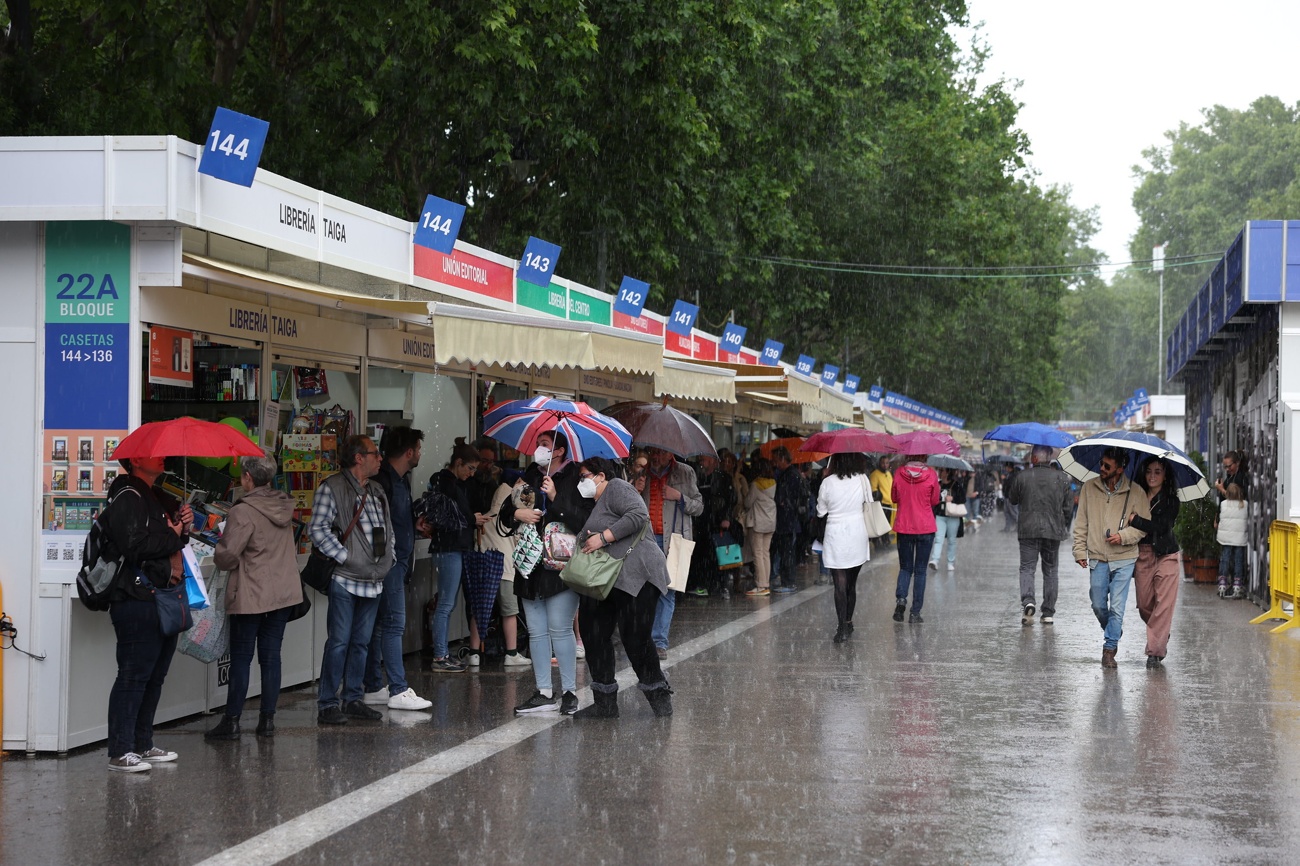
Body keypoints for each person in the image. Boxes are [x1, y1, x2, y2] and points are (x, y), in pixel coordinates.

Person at [102, 454, 194, 772]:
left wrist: (182, 530)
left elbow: (168, 543)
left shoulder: (155, 496)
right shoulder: (128, 495)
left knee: (154, 676)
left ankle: (142, 743)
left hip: (160, 595)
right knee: (133, 675)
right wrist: (173, 533)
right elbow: (133, 545)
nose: (162, 458)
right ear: (138, 461)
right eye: (155, 455)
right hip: (135, 596)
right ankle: (121, 750)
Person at [208, 452, 305, 740]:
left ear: (248, 478)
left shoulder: (243, 511)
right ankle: (267, 721)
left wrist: (218, 542)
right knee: (271, 657)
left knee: (241, 658)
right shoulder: (284, 504)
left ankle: (233, 720)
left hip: (251, 593)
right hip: (282, 596)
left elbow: (227, 557)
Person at [571, 457, 674, 718]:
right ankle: (605, 702)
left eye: (585, 476)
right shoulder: (590, 502)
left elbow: (639, 516)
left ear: (601, 475)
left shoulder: (618, 487)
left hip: (637, 573)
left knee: (635, 637)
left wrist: (604, 538)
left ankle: (658, 695)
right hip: (605, 577)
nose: (582, 482)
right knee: (593, 632)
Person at [501, 430, 591, 714]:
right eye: (538, 444)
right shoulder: (529, 475)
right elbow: (505, 513)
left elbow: (585, 522)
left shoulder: (576, 479)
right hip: (530, 564)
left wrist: (555, 499)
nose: (538, 450)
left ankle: (569, 692)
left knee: (560, 628)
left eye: (544, 445)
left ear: (560, 451)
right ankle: (543, 691)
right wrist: (519, 514)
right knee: (537, 632)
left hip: (561, 567)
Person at [311, 434, 394, 725]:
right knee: (339, 642)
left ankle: (353, 699)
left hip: (373, 580)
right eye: (375, 453)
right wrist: (346, 557)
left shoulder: (377, 490)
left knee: (362, 643)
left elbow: (387, 531)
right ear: (359, 458)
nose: (380, 458)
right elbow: (318, 529)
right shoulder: (332, 487)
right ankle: (328, 703)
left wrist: (388, 559)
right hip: (346, 579)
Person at [361, 427, 432, 710]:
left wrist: (410, 527)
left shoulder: (399, 481)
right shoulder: (384, 483)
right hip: (388, 564)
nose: (420, 454)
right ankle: (399, 689)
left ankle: (374, 685)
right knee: (393, 623)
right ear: (409, 452)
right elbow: (378, 526)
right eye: (418, 448)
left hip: (396, 562)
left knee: (380, 626)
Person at [1072, 447, 1151, 669]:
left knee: (1117, 607)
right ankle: (1114, 629)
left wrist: (1123, 536)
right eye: (1102, 464)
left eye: (1107, 466)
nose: (1102, 468)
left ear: (1120, 469)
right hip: (1097, 557)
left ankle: (1109, 649)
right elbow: (1081, 523)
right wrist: (1079, 550)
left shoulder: (1136, 492)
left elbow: (1143, 528)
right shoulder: (1089, 487)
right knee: (1098, 605)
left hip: (1125, 558)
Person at [426, 441, 489, 672]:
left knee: (447, 603)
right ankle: (440, 655)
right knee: (445, 604)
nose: (471, 474)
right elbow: (463, 513)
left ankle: (441, 653)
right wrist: (474, 520)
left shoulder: (452, 482)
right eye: (470, 468)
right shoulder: (446, 482)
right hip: (449, 547)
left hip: (453, 547)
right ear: (458, 463)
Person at [634, 446, 702, 658]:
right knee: (644, 591)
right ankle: (642, 639)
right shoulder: (641, 474)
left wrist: (679, 496)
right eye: (653, 453)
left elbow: (698, 506)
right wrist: (635, 488)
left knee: (667, 591)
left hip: (675, 539)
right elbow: (626, 506)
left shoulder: (685, 472)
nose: (656, 457)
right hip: (646, 539)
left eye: (661, 453)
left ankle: (659, 642)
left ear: (671, 453)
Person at [1007, 445, 1074, 626]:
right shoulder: (1061, 478)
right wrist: (1062, 524)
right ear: (1050, 458)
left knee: (1028, 567)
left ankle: (1028, 601)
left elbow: (1012, 499)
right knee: (1051, 571)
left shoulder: (1023, 477)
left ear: (1034, 458)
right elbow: (1068, 508)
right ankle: (1048, 612)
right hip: (1053, 531)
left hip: (1028, 530)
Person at [1128, 456, 1182, 668]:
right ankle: (1161, 632)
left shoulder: (1171, 500)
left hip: (1166, 554)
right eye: (1149, 471)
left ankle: (1155, 651)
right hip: (1142, 554)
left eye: (1157, 471)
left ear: (1165, 475)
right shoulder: (1135, 496)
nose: (1152, 476)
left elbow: (1161, 526)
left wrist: (1136, 520)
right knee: (1144, 604)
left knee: (1164, 603)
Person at [816, 452, 871, 642]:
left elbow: (821, 511)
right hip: (857, 533)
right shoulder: (863, 479)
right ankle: (848, 621)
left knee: (839, 584)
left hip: (836, 534)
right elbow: (869, 502)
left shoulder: (827, 482)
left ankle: (842, 628)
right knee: (851, 584)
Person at [891, 454, 939, 623]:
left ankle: (901, 600)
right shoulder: (931, 474)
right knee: (920, 571)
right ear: (925, 456)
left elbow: (894, 498)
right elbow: (934, 500)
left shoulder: (898, 473)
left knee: (905, 568)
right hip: (925, 527)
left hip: (904, 526)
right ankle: (915, 613)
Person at [770, 447, 803, 592]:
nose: (775, 464)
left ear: (783, 459)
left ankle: (788, 582)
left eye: (777, 460)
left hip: (787, 521)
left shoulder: (791, 475)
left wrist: (783, 502)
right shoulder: (789, 474)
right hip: (786, 521)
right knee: (785, 552)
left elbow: (788, 497)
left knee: (787, 552)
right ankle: (786, 581)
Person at [743, 458, 777, 597]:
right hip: (770, 523)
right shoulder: (773, 483)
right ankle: (766, 584)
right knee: (765, 554)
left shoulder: (756, 485)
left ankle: (761, 585)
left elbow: (747, 503)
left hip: (758, 523)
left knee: (757, 554)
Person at [928, 468, 965, 571]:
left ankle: (950, 562)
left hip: (953, 516)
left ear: (948, 472)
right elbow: (932, 498)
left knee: (951, 540)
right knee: (938, 539)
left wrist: (953, 499)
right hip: (940, 515)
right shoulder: (938, 484)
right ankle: (935, 560)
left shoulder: (956, 485)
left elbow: (963, 499)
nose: (940, 473)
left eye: (942, 471)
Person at [1216, 482, 1248, 599]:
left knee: (1225, 559)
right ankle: (1237, 584)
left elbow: (1220, 518)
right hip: (1239, 538)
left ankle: (1222, 583)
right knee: (1238, 560)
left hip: (1226, 538)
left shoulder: (1223, 504)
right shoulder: (1245, 505)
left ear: (1227, 493)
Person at [869, 455, 895, 546]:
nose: (885, 465)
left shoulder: (888, 474)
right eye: (883, 463)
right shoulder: (875, 474)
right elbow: (873, 489)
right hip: (881, 504)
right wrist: (878, 497)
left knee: (886, 525)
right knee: (880, 525)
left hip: (889, 503)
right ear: (879, 463)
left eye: (887, 463)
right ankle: (877, 543)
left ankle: (885, 541)